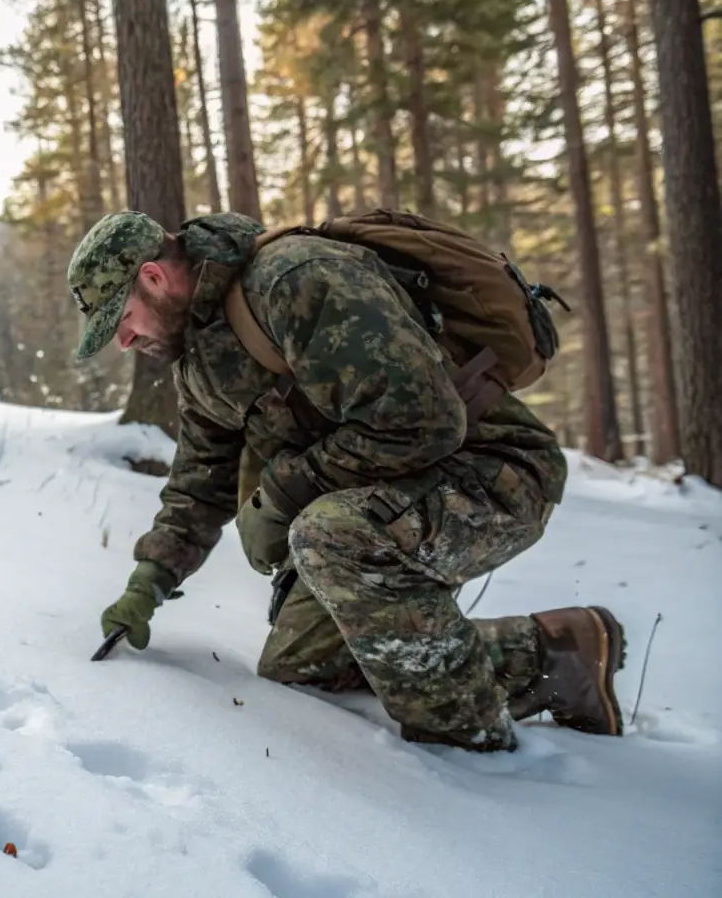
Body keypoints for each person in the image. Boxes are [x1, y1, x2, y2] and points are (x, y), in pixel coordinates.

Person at [68, 208, 627, 752]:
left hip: (491, 471)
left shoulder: (296, 280)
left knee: (330, 538)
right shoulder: (200, 355)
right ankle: (559, 654)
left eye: (122, 320)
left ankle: (467, 750)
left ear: (154, 277)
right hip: (392, 495)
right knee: (302, 667)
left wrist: (288, 488)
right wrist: (151, 579)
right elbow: (200, 478)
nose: (123, 342)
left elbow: (424, 421)